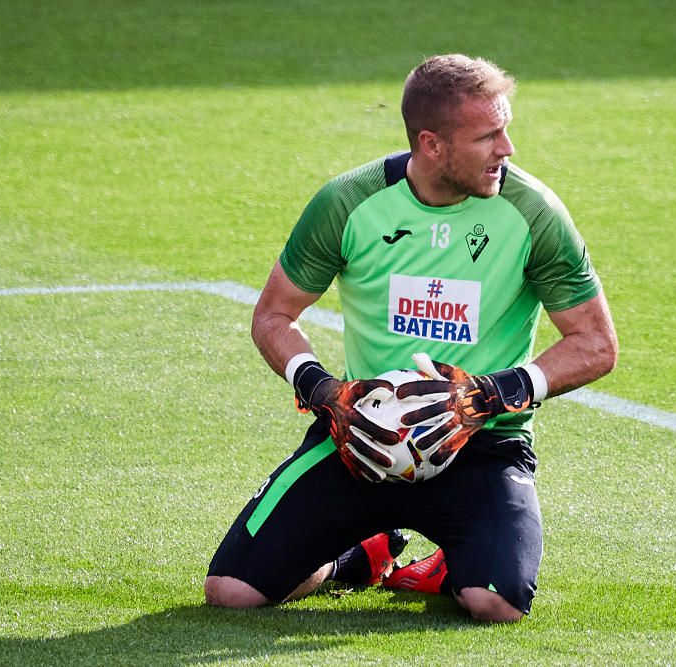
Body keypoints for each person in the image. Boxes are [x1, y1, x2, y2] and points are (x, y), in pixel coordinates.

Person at [204, 53, 618, 623]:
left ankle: (454, 564)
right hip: (359, 440)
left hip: (484, 447)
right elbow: (274, 316)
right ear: (432, 144)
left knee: (496, 603)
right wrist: (325, 392)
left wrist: (489, 396)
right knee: (232, 592)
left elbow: (596, 344)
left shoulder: (533, 214)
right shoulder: (348, 203)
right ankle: (359, 558)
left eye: (506, 130)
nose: (507, 150)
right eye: (488, 136)